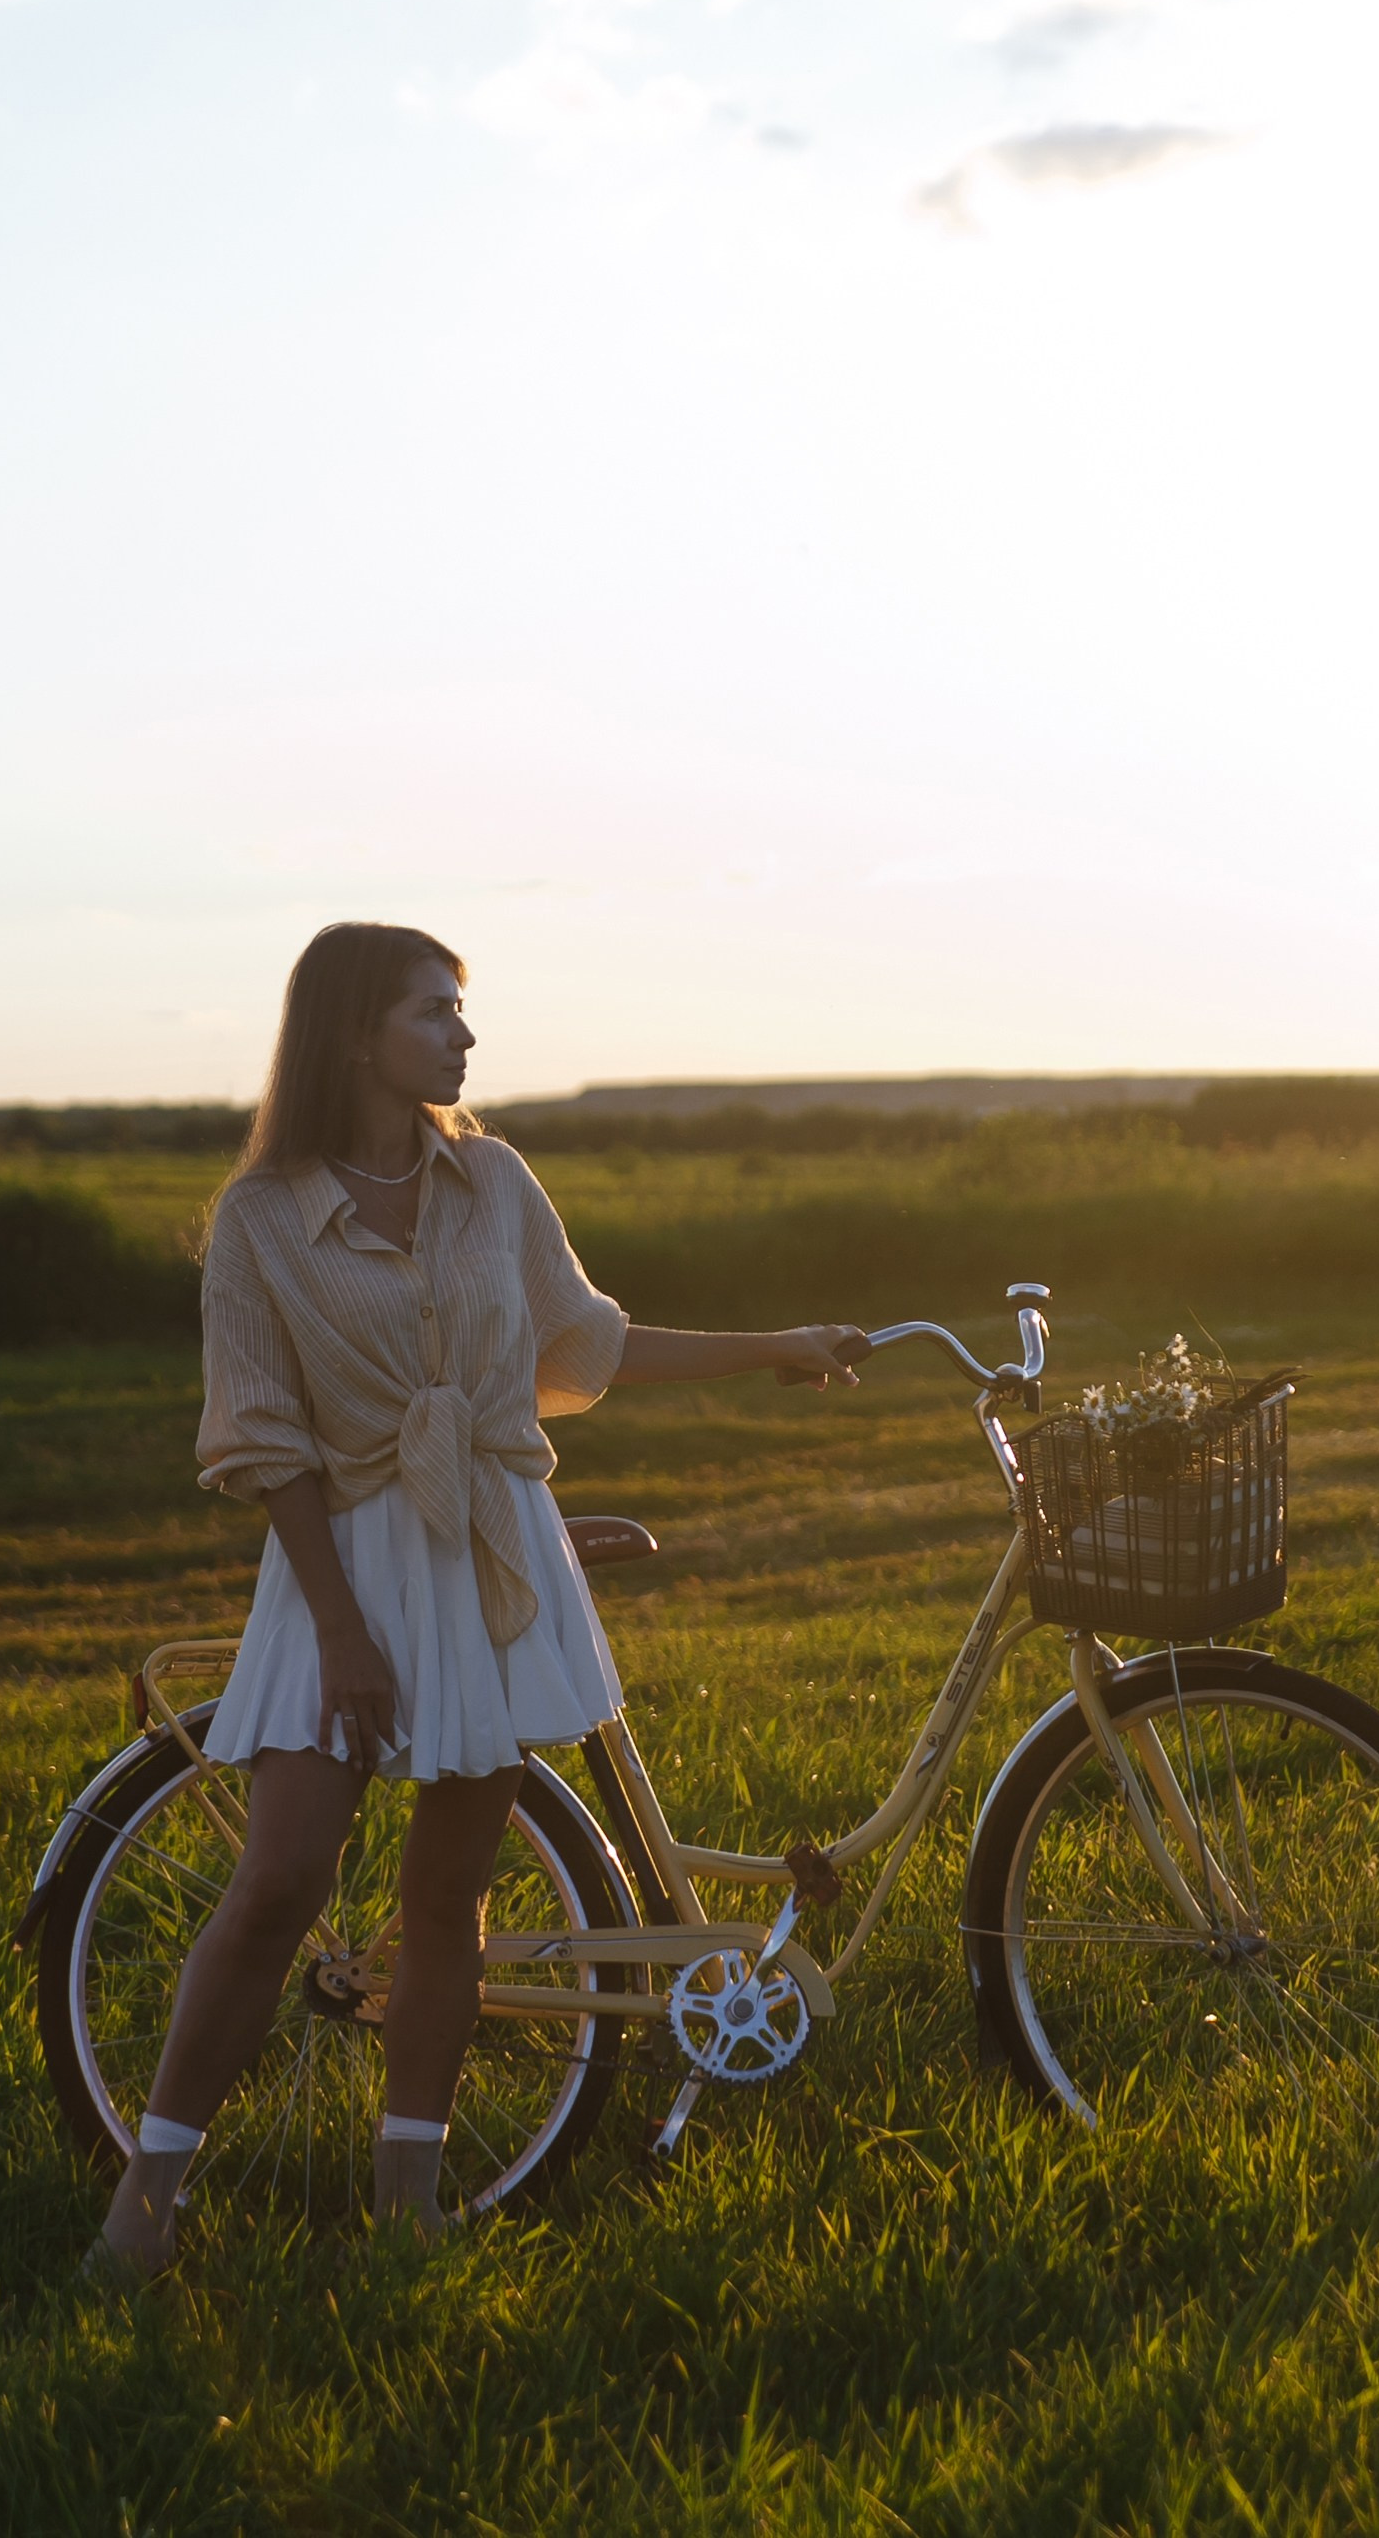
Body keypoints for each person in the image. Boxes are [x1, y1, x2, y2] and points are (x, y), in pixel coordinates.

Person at [95, 921, 865, 2273]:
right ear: (350, 1037)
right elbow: (262, 1440)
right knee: (280, 1880)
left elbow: (588, 1343)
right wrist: (338, 1627)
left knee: (449, 1899)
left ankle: (411, 2208)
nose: (464, 1036)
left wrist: (774, 1347)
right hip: (348, 1558)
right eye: (435, 1013)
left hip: (498, 1548)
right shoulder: (263, 1220)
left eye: (464, 1012)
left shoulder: (495, 1182)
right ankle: (144, 2211)